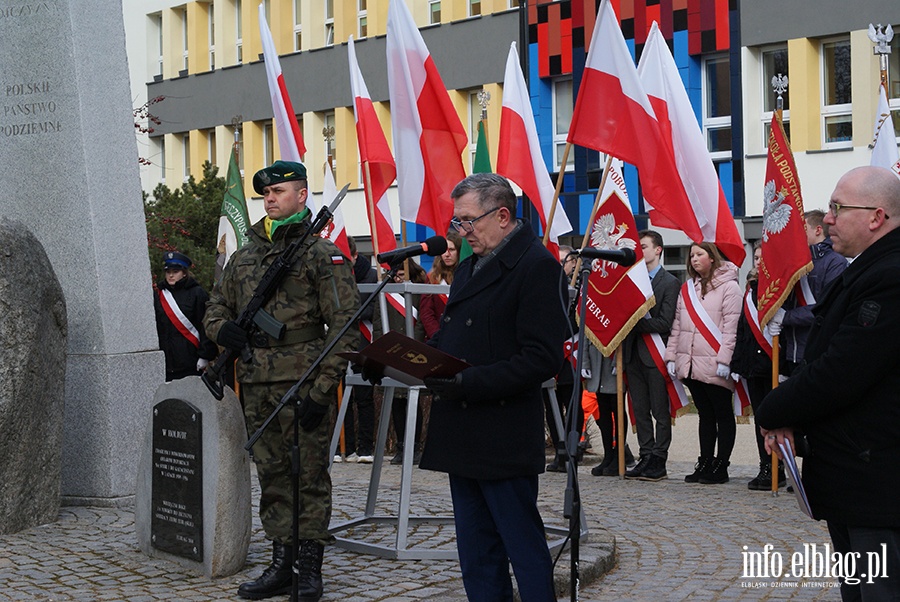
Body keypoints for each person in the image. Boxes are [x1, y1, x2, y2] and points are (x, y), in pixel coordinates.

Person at [204, 160, 359, 601]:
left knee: (307, 474)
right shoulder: (244, 256)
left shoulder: (321, 255)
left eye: (280, 191)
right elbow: (216, 307)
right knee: (272, 474)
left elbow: (345, 327)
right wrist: (222, 331)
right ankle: (281, 564)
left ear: (302, 195)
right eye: (265, 194)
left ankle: (308, 568)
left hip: (305, 381)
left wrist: (322, 388)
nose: (270, 199)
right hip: (256, 382)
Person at [417, 173, 568, 601]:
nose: (460, 232)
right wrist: (412, 358)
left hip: (501, 431)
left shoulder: (538, 267)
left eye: (467, 221)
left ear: (502, 216)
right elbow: (451, 337)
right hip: (461, 430)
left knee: (522, 546)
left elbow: (541, 358)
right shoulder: (467, 268)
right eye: (457, 222)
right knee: (476, 551)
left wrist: (467, 381)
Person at [757, 166, 900, 602]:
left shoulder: (890, 275)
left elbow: (842, 371)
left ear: (876, 217)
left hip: (878, 485)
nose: (829, 218)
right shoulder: (866, 270)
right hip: (855, 478)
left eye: (838, 208)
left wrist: (773, 410)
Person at [665, 241, 741, 484]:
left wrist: (725, 360)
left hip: (716, 361)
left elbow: (731, 328)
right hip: (690, 362)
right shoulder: (688, 288)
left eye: (699, 254)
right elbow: (677, 325)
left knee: (722, 413)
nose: (694, 259)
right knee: (705, 415)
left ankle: (722, 465)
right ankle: (705, 461)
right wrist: (671, 356)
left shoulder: (730, 288)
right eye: (691, 255)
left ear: (712, 257)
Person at [621, 230, 680, 481]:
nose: (640, 251)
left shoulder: (669, 282)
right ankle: (645, 454)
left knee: (659, 409)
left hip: (656, 353)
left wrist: (633, 323)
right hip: (633, 354)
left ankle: (659, 457)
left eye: (644, 246)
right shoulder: (631, 281)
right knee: (640, 409)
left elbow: (665, 322)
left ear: (658, 250)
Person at [729, 241, 785, 490]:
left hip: (773, 362)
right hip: (753, 364)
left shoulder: (781, 288)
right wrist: (737, 361)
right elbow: (742, 329)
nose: (759, 262)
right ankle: (766, 466)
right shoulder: (749, 290)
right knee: (761, 418)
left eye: (764, 258)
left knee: (778, 416)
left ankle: (780, 468)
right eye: (757, 258)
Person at [776, 209, 848, 375]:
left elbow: (827, 307)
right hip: (792, 351)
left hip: (817, 350)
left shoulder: (835, 262)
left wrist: (785, 317)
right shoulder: (795, 262)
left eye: (802, 229)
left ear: (818, 230)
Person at [334, 236, 377, 464]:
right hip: (340, 342)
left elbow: (373, 308)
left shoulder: (370, 275)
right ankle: (345, 446)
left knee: (364, 396)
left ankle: (365, 448)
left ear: (354, 256)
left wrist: (349, 314)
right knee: (341, 398)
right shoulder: (335, 276)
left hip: (363, 341)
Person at [153, 251, 218, 382]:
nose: (171, 275)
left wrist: (205, 355)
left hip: (190, 361)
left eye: (175, 271)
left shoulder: (197, 293)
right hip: (165, 363)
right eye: (168, 271)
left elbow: (205, 325)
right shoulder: (159, 295)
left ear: (184, 272)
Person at [545, 244, 578, 473]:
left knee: (573, 404)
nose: (560, 266)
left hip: (571, 356)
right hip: (550, 356)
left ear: (573, 263)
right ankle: (560, 450)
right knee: (551, 405)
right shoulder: (546, 287)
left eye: (564, 261)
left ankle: (573, 450)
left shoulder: (580, 287)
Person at [583, 339, 629, 477]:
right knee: (604, 413)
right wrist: (585, 362)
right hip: (597, 363)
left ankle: (619, 456)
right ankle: (608, 455)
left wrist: (618, 361)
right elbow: (586, 335)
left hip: (613, 361)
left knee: (617, 409)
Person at [419, 230, 462, 341]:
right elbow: (426, 312)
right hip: (439, 338)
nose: (447, 254)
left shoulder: (467, 275)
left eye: (452, 250)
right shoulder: (432, 277)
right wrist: (437, 336)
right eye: (444, 250)